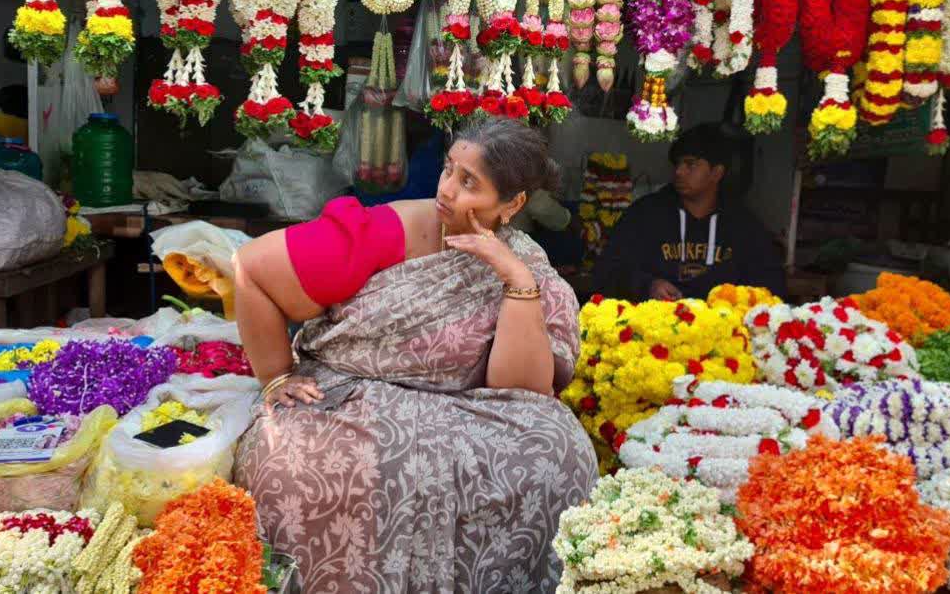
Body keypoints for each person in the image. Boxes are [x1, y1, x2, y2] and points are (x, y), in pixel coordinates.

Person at [231, 117, 596, 592]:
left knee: (561, 453)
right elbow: (250, 269)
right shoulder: (387, 230)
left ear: (513, 204)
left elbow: (521, 390)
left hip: (474, 413)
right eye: (449, 170)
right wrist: (277, 377)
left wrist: (515, 280)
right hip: (354, 396)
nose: (446, 190)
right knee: (293, 463)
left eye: (469, 183)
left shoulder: (527, 265)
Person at [593, 122, 785, 302]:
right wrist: (647, 285)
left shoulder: (743, 225)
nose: (679, 172)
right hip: (654, 327)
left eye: (690, 164)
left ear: (716, 172)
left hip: (721, 331)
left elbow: (770, 286)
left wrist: (729, 299)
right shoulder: (645, 215)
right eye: (677, 164)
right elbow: (607, 270)